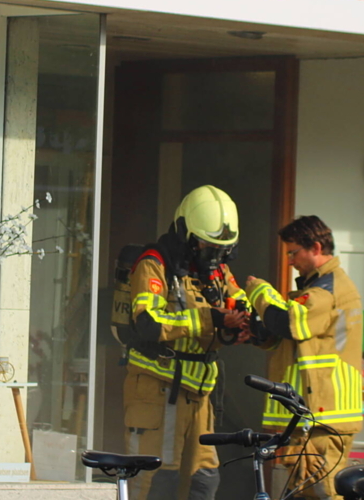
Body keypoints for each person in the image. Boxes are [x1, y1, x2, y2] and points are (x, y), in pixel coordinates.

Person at [124, 185, 250, 500]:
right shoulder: (154, 264)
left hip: (200, 397)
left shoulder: (217, 270)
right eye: (208, 246)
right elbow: (149, 323)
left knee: (204, 480)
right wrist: (212, 320)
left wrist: (243, 325)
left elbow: (236, 302)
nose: (215, 256)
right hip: (159, 390)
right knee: (157, 481)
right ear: (186, 234)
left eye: (222, 249)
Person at [245, 215, 363, 500]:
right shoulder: (318, 287)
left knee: (324, 495)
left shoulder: (327, 289)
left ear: (317, 248)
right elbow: (293, 340)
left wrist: (258, 293)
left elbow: (287, 322)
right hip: (316, 416)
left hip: (325, 418)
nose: (289, 260)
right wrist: (254, 330)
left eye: (293, 252)